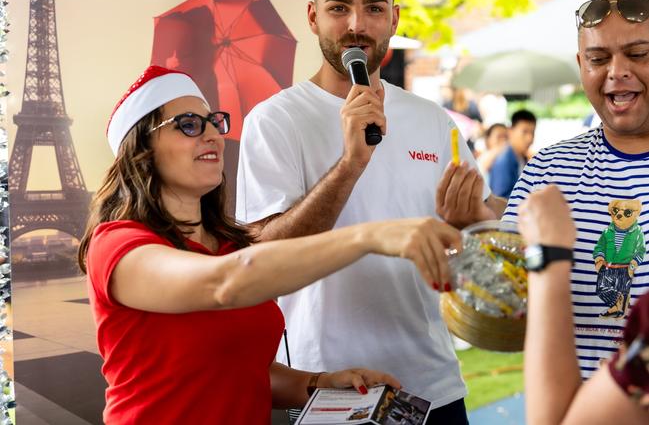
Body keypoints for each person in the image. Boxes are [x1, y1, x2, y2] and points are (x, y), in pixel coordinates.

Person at [81, 65, 464, 424]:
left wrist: (317, 384)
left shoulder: (228, 245)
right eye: (188, 125)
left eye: (214, 121)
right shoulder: (117, 244)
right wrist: (370, 236)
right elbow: (223, 284)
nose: (214, 133)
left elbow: (248, 370)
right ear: (140, 150)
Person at [236, 0, 504, 423]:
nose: (356, 24)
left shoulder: (430, 119)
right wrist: (350, 164)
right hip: (334, 388)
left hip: (434, 384)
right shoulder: (275, 120)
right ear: (314, 17)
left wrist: (475, 224)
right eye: (339, 7)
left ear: (394, 19)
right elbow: (260, 257)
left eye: (374, 7)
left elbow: (470, 240)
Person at [502, 0, 649, 377]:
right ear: (581, 65)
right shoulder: (547, 170)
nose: (617, 71)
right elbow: (506, 301)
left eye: (638, 54)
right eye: (598, 58)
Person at [518, 185, 648, 424]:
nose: (620, 218)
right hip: (604, 388)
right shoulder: (546, 165)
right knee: (607, 290)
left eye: (626, 214)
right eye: (617, 213)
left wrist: (547, 254)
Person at [489, 109, 536, 199]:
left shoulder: (523, 158)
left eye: (532, 132)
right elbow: (500, 200)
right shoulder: (503, 161)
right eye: (525, 132)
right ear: (510, 131)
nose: (529, 138)